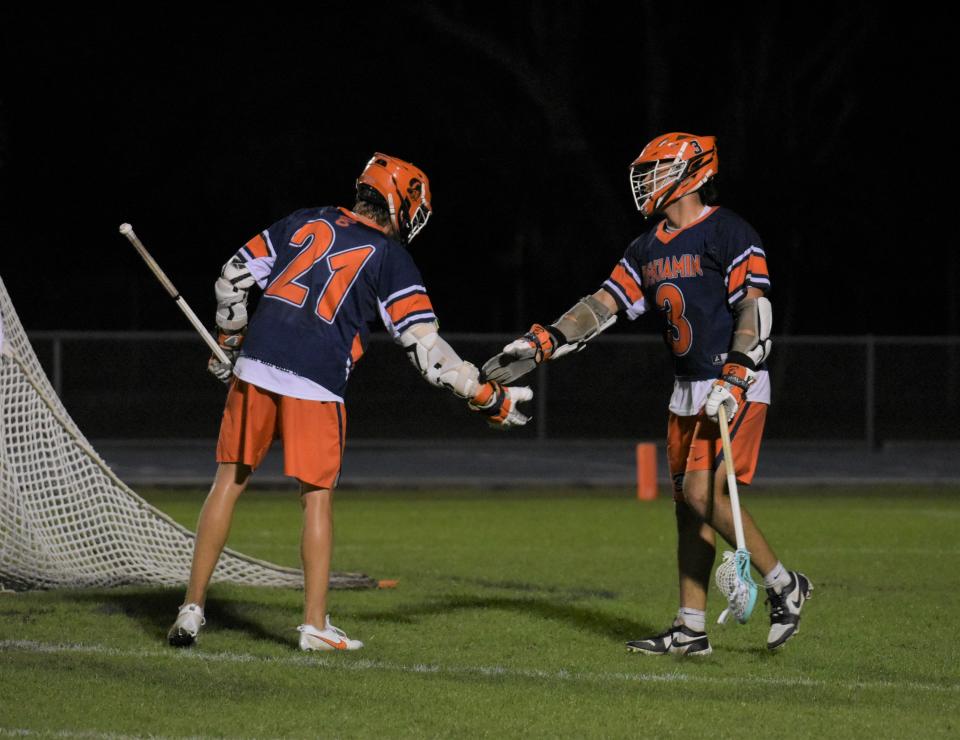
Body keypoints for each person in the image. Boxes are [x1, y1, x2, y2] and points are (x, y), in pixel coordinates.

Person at [167, 153, 532, 651]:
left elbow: (231, 277)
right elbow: (426, 349)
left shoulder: (306, 219)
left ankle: (191, 609)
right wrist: (483, 394)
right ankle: (314, 625)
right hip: (316, 381)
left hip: (256, 363)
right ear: (400, 203)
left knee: (227, 482)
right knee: (315, 497)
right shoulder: (389, 256)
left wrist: (229, 340)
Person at [483, 133, 811, 654]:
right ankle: (689, 628)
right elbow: (602, 304)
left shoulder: (728, 231)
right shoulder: (646, 247)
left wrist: (737, 371)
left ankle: (785, 586)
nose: (647, 182)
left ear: (690, 173)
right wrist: (547, 338)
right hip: (685, 389)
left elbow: (753, 307)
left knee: (706, 496)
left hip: (733, 382)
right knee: (688, 508)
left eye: (657, 171)